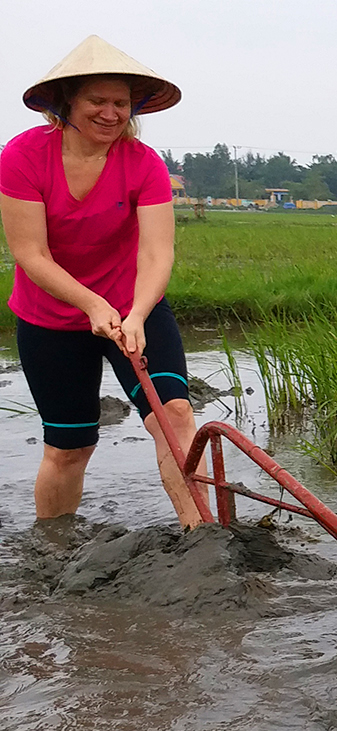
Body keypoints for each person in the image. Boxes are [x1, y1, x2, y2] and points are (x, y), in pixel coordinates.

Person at [1, 36, 198, 526]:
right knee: (70, 447)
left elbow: (156, 251)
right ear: (67, 103)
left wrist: (134, 313)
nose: (111, 114)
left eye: (121, 103)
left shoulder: (144, 162)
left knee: (173, 416)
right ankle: (53, 545)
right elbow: (30, 253)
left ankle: (203, 533)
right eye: (97, 101)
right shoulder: (24, 156)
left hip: (135, 306)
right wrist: (91, 304)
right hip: (51, 318)